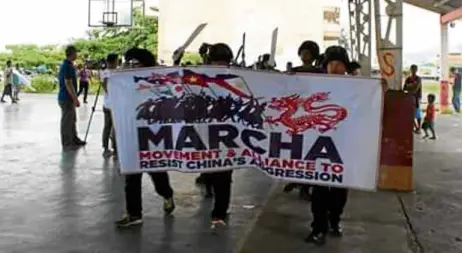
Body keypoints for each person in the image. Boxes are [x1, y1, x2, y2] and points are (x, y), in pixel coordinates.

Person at [115, 48, 175, 228]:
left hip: (152, 136)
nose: (131, 66)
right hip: (131, 135)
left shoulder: (158, 82)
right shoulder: (125, 81)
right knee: (131, 176)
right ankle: (134, 214)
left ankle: (167, 194)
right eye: (129, 63)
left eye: (135, 63)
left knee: (157, 174)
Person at [305, 46, 350, 246]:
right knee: (320, 190)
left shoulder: (357, 87)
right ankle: (318, 227)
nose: (335, 67)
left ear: (345, 67)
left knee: (340, 191)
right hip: (320, 147)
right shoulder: (316, 87)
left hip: (346, 146)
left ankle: (335, 220)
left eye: (339, 64)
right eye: (331, 63)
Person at [283, 40, 323, 201]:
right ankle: (297, 180)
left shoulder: (321, 72)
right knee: (296, 151)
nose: (305, 55)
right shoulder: (293, 71)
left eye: (308, 53)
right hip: (295, 114)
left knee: (309, 153)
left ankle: (305, 186)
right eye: (303, 52)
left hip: (310, 116)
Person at [204, 43, 235, 228]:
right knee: (212, 173)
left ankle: (219, 211)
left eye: (223, 62)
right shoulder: (202, 77)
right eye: (216, 61)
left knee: (223, 174)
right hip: (206, 134)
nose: (219, 66)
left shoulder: (237, 78)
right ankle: (218, 202)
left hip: (229, 135)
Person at [58, 45, 86, 149]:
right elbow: (68, 83)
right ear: (72, 53)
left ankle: (74, 138)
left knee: (72, 120)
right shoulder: (67, 66)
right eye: (76, 53)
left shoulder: (69, 65)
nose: (77, 55)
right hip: (66, 98)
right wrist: (75, 99)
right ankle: (67, 143)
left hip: (68, 97)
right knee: (67, 121)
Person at [101, 53, 118, 157]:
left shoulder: (104, 73)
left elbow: (104, 86)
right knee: (114, 128)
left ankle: (106, 148)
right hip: (113, 105)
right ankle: (115, 150)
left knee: (107, 127)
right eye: (116, 61)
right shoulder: (114, 73)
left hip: (107, 104)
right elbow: (106, 87)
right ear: (113, 61)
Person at [403, 65, 422, 133]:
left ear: (416, 70)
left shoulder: (418, 78)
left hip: (416, 98)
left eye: (415, 69)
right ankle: (415, 127)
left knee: (417, 114)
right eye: (412, 69)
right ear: (410, 70)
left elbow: (416, 89)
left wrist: (409, 87)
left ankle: (419, 128)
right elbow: (404, 88)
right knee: (409, 114)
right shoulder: (408, 79)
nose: (413, 70)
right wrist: (412, 86)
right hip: (409, 98)